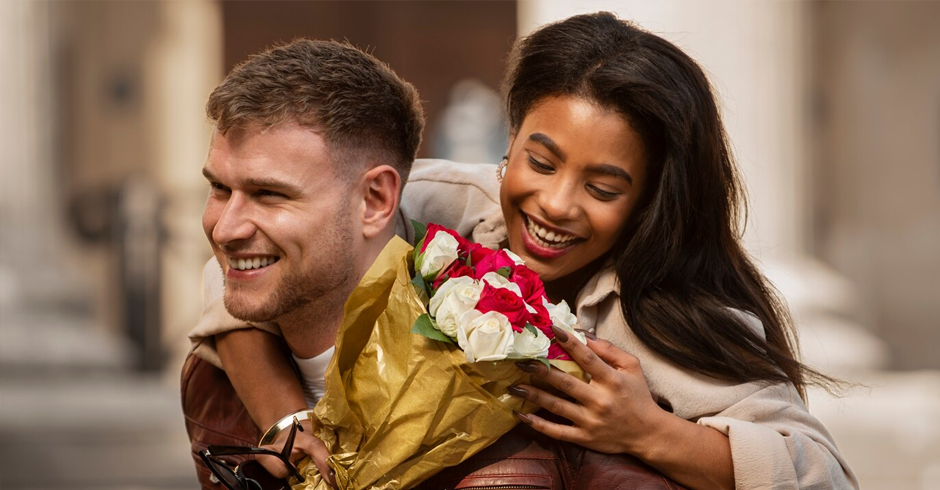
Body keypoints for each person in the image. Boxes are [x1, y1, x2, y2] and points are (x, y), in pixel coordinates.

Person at [190, 12, 858, 490]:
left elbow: (818, 472)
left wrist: (647, 431)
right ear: (510, 144)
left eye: (602, 186)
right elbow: (246, 263)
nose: (556, 204)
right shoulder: (442, 200)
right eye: (540, 162)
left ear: (650, 200)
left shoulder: (674, 309)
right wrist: (286, 415)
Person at [181, 37, 426, 488]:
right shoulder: (210, 380)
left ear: (375, 201)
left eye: (269, 193)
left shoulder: (487, 366)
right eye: (219, 189)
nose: (224, 229)